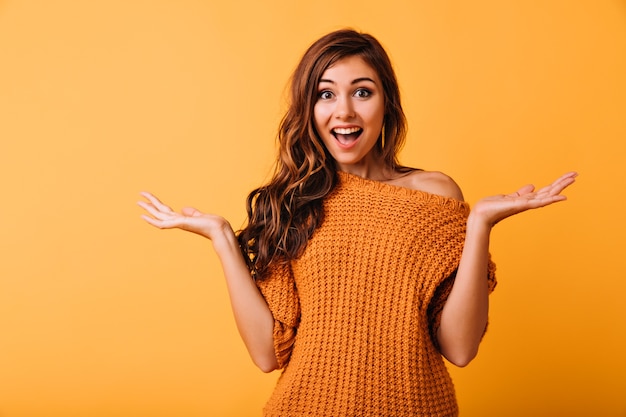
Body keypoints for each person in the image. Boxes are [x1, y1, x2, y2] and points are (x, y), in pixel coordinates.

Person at [138, 29, 576, 416]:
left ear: (386, 103)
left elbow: (460, 349)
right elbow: (268, 353)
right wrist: (222, 240)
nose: (343, 111)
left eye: (362, 92)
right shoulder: (292, 203)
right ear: (308, 110)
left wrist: (479, 224)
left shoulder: (435, 195)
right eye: (325, 94)